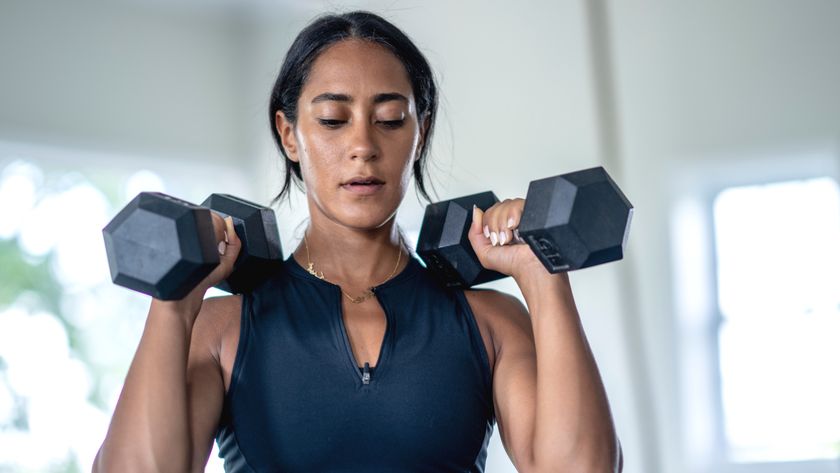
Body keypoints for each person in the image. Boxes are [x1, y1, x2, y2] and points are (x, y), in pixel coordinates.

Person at [93, 11, 622, 473]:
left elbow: (580, 468)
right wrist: (174, 305)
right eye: (332, 120)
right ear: (288, 134)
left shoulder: (491, 323)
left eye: (391, 120)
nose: (364, 146)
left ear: (421, 134)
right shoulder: (221, 329)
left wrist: (542, 275)